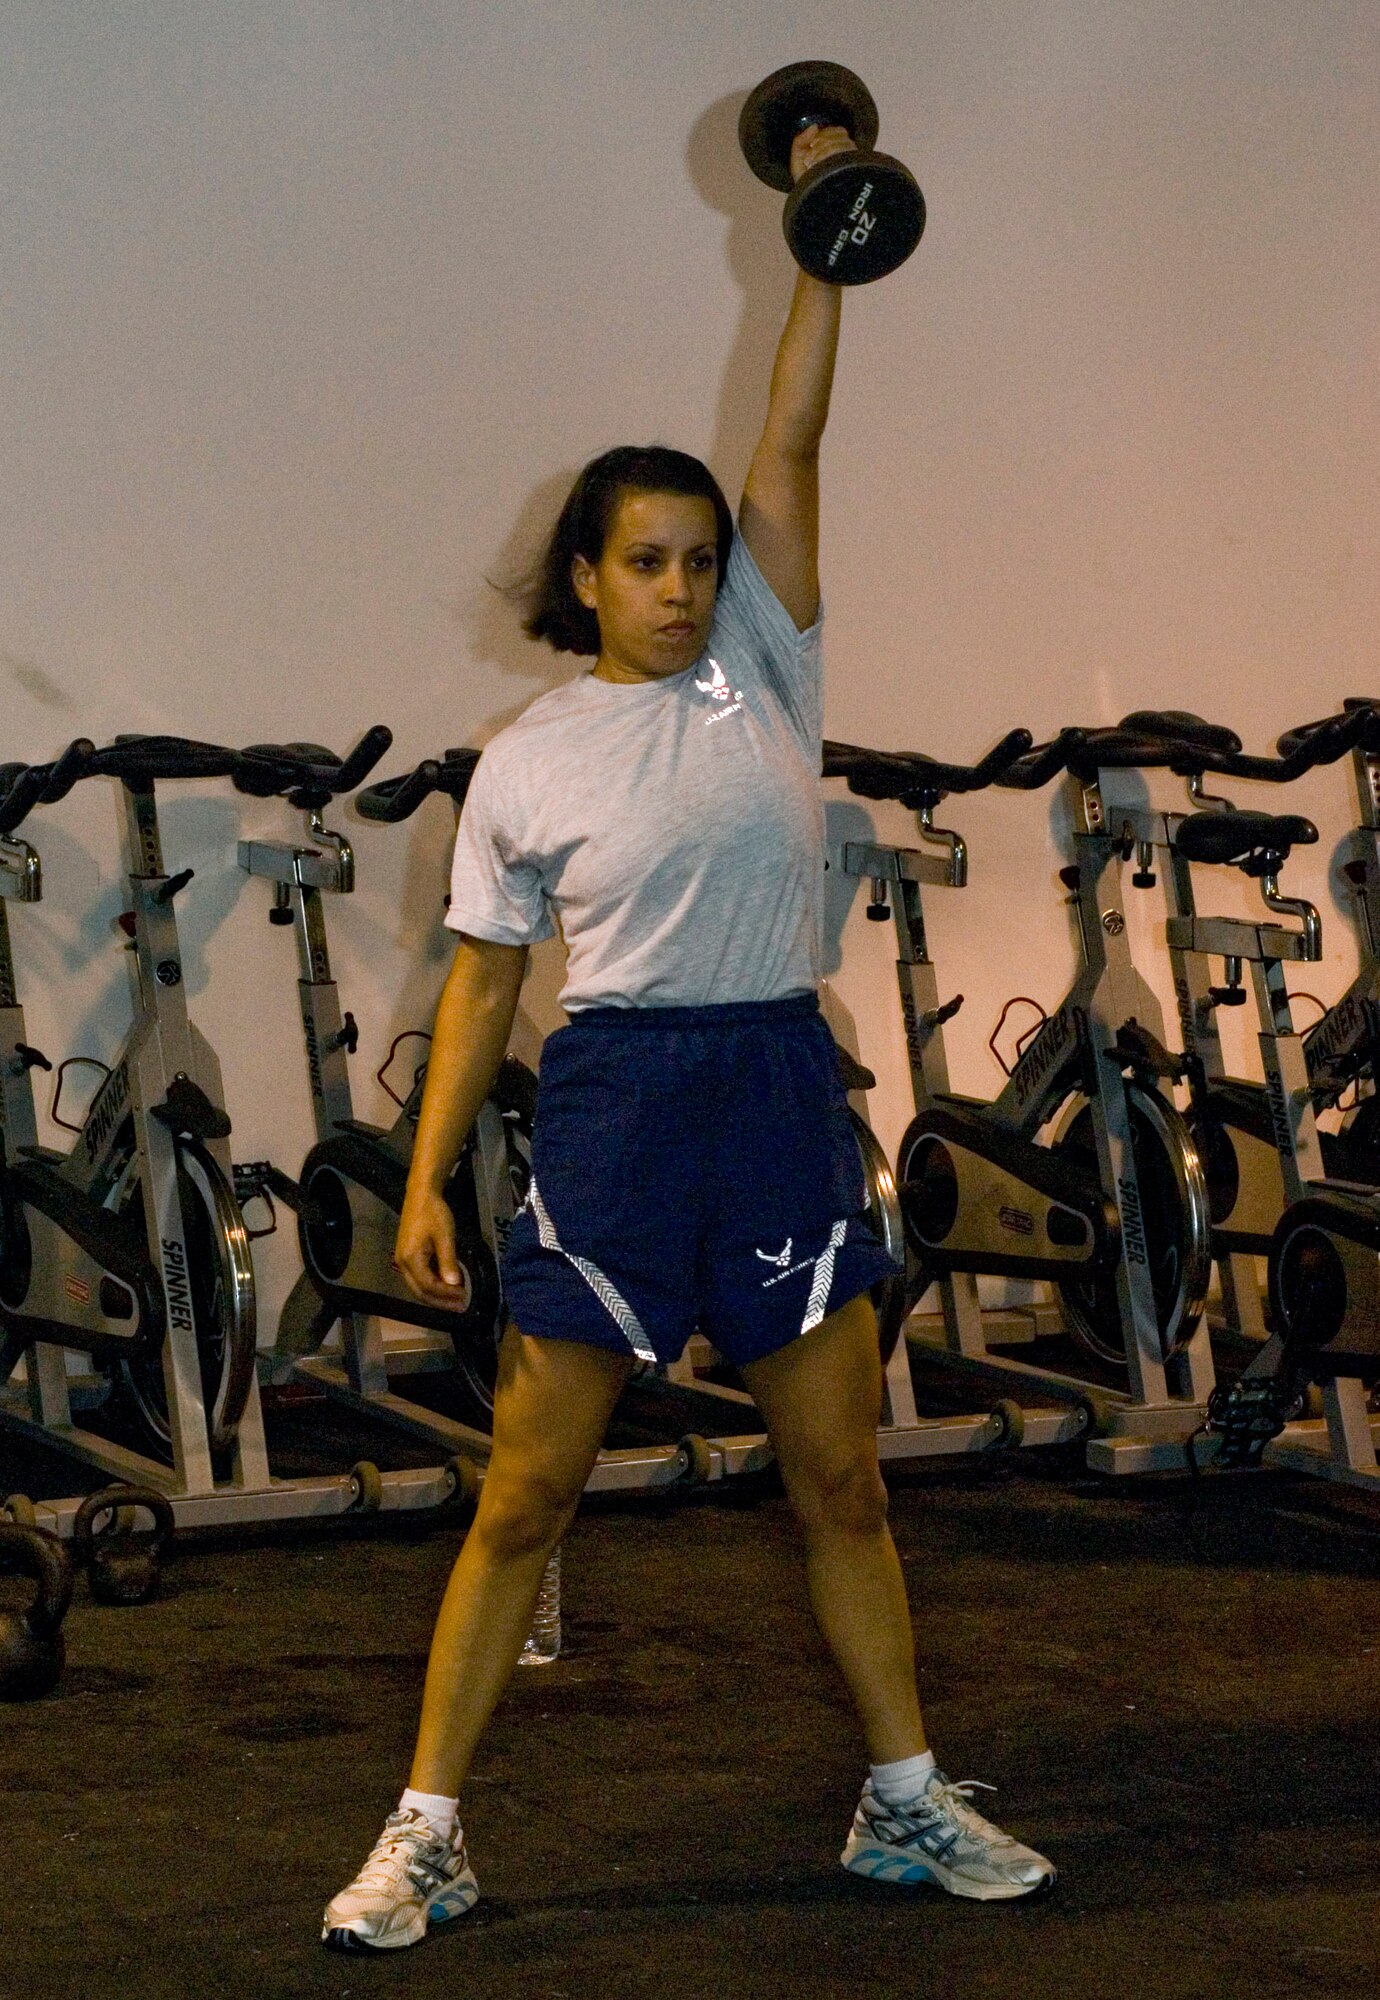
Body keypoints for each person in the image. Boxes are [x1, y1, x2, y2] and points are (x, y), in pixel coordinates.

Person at [323, 120, 1054, 1955]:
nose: (677, 584)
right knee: (527, 1491)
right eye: (644, 561)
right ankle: (428, 1830)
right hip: (622, 1106)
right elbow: (486, 984)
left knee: (839, 1478)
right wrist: (429, 1180)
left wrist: (825, 238)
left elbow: (792, 437)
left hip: (777, 1089)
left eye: (698, 558)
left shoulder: (764, 667)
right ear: (583, 577)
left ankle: (902, 1803)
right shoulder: (529, 761)